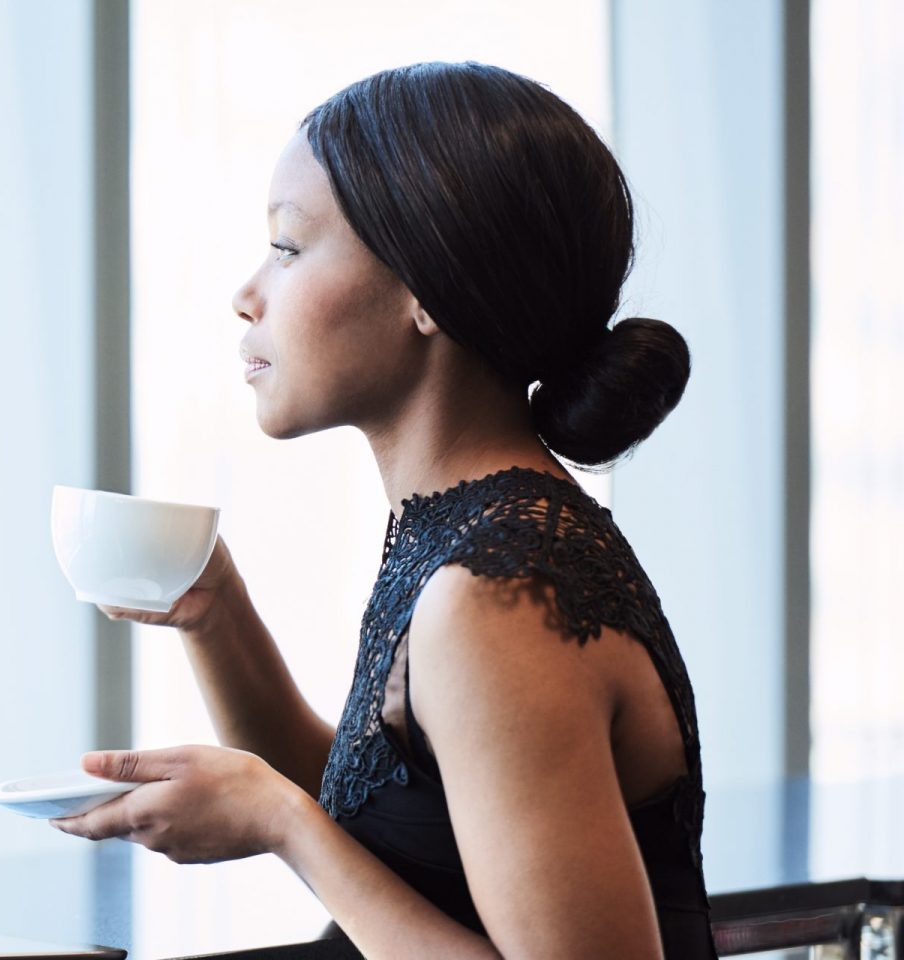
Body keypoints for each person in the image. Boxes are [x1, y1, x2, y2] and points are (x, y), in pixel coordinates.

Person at [47, 61, 712, 959]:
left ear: (426, 293)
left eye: (287, 247)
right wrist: (216, 615)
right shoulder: (468, 535)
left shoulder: (496, 600)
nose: (247, 292)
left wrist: (283, 825)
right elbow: (404, 832)